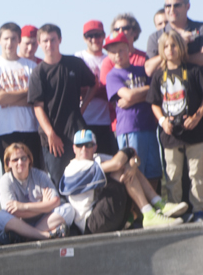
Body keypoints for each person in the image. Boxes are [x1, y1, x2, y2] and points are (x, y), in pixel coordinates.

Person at [59, 130, 184, 234]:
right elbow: (117, 163)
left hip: (103, 216)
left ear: (95, 147)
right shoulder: (74, 167)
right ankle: (149, 212)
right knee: (120, 171)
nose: (84, 149)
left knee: (128, 169)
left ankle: (157, 204)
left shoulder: (96, 158)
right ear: (74, 148)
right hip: (91, 224)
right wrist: (129, 152)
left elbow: (131, 158)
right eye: (79, 145)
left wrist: (134, 164)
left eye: (88, 145)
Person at [27, 24, 97, 186]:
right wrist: (51, 134)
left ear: (60, 40)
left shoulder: (74, 63)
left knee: (85, 176)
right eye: (45, 41)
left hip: (77, 131)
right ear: (39, 43)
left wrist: (83, 106)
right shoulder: (38, 72)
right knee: (60, 183)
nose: (49, 44)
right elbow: (38, 107)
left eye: (53, 40)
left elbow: (94, 84)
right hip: (52, 137)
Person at [146, 30, 203, 218]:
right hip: (170, 136)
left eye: (174, 45)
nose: (170, 50)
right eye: (166, 46)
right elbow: (154, 103)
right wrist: (162, 121)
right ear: (161, 50)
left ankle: (198, 210)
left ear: (181, 47)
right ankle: (177, 211)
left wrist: (196, 116)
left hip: (195, 134)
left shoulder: (195, 71)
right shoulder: (158, 76)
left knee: (197, 175)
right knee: (172, 175)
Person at [104, 32, 163, 190]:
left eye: (121, 50)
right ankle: (137, 213)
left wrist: (136, 97)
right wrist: (143, 94)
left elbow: (155, 91)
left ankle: (154, 208)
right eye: (113, 51)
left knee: (153, 172)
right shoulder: (113, 75)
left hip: (150, 126)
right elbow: (127, 95)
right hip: (130, 128)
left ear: (129, 49)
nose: (118, 54)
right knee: (134, 172)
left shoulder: (142, 70)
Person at [0, 22, 42, 169]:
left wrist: (8, 98)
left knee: (34, 174)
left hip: (31, 129)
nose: (9, 43)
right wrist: (27, 93)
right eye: (6, 38)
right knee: (10, 175)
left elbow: (37, 99)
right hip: (5, 130)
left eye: (13, 38)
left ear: (19, 40)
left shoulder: (32, 67)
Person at [0, 143, 74, 244]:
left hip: (43, 221)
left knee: (68, 209)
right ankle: (43, 235)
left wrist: (23, 206)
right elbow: (13, 212)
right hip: (19, 224)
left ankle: (27, 237)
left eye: (23, 158)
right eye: (15, 160)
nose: (20, 162)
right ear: (9, 163)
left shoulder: (40, 175)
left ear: (29, 159)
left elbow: (56, 201)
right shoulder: (5, 180)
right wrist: (44, 205)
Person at [75, 20, 118, 156]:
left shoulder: (111, 58)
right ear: (84, 38)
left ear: (104, 36)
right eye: (90, 36)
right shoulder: (79, 58)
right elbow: (76, 89)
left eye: (98, 35)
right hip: (84, 119)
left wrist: (92, 90)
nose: (94, 39)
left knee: (107, 160)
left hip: (106, 120)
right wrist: (100, 89)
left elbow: (113, 91)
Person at [146, 0, 203, 77]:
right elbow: (149, 69)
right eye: (168, 6)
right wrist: (179, 43)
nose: (172, 9)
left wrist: (173, 57)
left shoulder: (200, 30)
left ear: (187, 6)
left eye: (177, 5)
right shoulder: (156, 37)